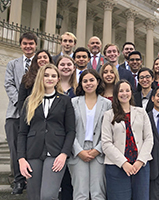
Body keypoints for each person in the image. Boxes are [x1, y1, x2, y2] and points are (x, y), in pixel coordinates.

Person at [17, 64, 75, 200]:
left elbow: (71, 131)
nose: (50, 78)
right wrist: (21, 159)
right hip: (33, 153)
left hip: (55, 154)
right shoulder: (29, 101)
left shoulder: (65, 101)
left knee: (48, 195)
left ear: (58, 79)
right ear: (40, 78)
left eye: (53, 76)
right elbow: (22, 132)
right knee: (34, 196)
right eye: (46, 75)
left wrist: (64, 154)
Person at [101, 80, 153, 200]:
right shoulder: (109, 115)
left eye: (127, 90)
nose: (124, 94)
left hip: (140, 166)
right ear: (116, 94)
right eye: (121, 91)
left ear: (131, 93)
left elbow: (149, 138)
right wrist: (124, 163)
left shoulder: (141, 112)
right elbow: (106, 143)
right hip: (117, 166)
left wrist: (140, 161)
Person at [68, 69, 111, 200]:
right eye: (85, 81)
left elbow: (109, 131)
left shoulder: (107, 104)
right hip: (78, 149)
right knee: (80, 193)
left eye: (91, 80)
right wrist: (78, 150)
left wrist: (98, 149)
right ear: (81, 84)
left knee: (98, 193)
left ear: (98, 82)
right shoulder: (73, 102)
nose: (88, 83)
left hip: (99, 151)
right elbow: (69, 129)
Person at [4, 32, 37, 195]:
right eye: (25, 43)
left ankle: (31, 178)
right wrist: (21, 103)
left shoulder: (40, 64)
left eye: (31, 43)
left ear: (36, 45)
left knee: (32, 148)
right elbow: (8, 84)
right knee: (15, 148)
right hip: (15, 113)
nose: (28, 46)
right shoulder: (12, 64)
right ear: (21, 45)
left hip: (36, 114)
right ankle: (18, 180)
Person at [56, 55, 77, 199]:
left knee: (69, 182)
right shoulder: (51, 88)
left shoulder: (78, 90)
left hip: (74, 138)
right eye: (62, 64)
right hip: (55, 139)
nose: (65, 67)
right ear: (57, 67)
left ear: (74, 68)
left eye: (69, 64)